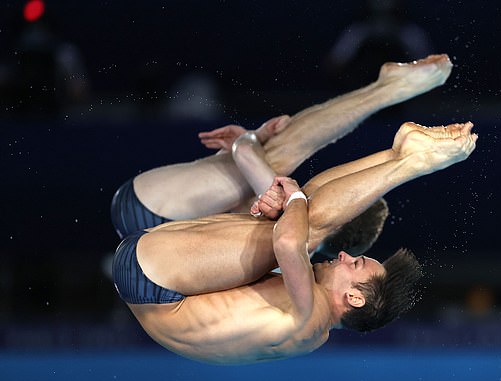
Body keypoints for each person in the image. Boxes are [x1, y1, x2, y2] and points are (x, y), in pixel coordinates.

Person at [111, 120, 478, 364]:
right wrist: (249, 152)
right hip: (151, 276)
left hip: (154, 280)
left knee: (305, 224)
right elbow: (275, 203)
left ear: (354, 298)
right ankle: (397, 154)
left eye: (356, 265)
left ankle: (412, 162)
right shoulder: (300, 308)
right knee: (297, 214)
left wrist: (289, 194)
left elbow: (289, 242)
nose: (347, 256)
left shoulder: (311, 320)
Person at [111, 54, 453, 256]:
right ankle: (384, 90)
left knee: (274, 161)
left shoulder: (292, 219)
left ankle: (385, 90)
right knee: (266, 171)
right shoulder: (292, 250)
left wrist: (252, 137)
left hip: (144, 212)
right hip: (152, 251)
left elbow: (244, 151)